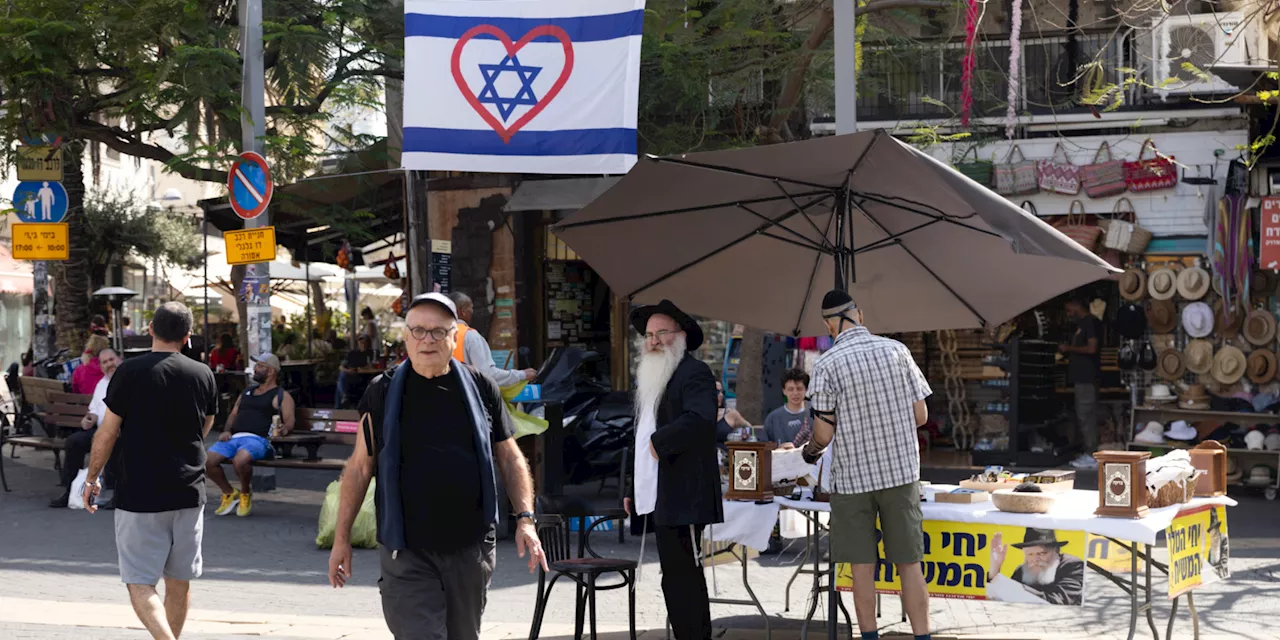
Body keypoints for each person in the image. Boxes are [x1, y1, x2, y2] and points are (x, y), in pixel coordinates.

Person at [327, 293, 546, 640]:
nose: (427, 340)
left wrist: (525, 519)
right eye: (418, 331)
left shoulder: (480, 386)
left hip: (469, 547)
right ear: (405, 337)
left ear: (456, 337)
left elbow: (510, 456)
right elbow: (358, 468)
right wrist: (342, 540)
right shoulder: (381, 391)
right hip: (406, 550)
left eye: (438, 332)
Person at [81, 302, 219, 640]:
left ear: (150, 330)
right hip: (188, 490)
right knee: (179, 580)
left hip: (139, 491)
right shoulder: (203, 374)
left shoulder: (129, 372)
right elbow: (207, 425)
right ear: (187, 337)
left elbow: (108, 431)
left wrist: (91, 476)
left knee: (139, 582)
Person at [801, 290, 932, 640]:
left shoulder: (826, 365)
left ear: (828, 325)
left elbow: (824, 434)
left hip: (853, 482)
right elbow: (921, 415)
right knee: (909, 562)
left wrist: (809, 452)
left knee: (862, 567)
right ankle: (922, 636)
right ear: (858, 314)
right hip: (901, 474)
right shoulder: (897, 351)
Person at [623, 299, 721, 640]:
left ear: (679, 336)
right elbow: (640, 435)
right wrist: (632, 488)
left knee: (684, 576)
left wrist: (661, 442)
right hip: (660, 493)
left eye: (660, 332)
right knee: (673, 576)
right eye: (648, 335)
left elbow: (701, 419)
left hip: (685, 493)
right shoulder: (654, 375)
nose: (652, 341)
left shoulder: (694, 372)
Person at [206, 354, 295, 517]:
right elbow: (233, 414)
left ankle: (245, 493)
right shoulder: (247, 392)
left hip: (259, 441)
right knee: (207, 461)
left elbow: (290, 421)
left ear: (271, 372)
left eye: (260, 366)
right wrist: (226, 430)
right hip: (235, 438)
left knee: (240, 460)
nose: (255, 369)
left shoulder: (280, 395)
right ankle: (229, 492)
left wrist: (285, 429)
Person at [49, 347, 121, 507]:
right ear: (101, 366)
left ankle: (117, 494)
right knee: (74, 441)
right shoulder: (101, 384)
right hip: (102, 431)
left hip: (122, 431)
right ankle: (69, 491)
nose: (109, 364)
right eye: (105, 362)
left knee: (114, 441)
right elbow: (94, 411)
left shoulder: (128, 380)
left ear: (119, 359)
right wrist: (88, 419)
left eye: (112, 360)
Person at [447, 292, 537, 387]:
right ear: (463, 311)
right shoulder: (470, 337)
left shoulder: (436, 335)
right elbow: (488, 375)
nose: (472, 311)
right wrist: (522, 375)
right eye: (471, 308)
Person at [986, 529, 1085, 605]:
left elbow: (1058, 601)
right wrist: (994, 571)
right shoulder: (1021, 570)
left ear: (1056, 551)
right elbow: (1005, 600)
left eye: (1042, 553)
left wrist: (1014, 588)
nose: (1035, 559)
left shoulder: (1073, 565)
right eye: (1030, 554)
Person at [1061, 298, 1100, 470]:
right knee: (1083, 415)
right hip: (1081, 378)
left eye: (1069, 309)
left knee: (1086, 416)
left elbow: (1092, 348)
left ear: (1077, 303)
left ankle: (1091, 454)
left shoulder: (1089, 322)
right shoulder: (1083, 323)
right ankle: (1088, 452)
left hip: (1087, 378)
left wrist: (1069, 349)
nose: (1068, 314)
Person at [763, 368, 811, 447]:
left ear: (806, 390)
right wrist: (779, 449)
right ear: (784, 391)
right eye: (790, 389)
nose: (795, 393)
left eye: (799, 389)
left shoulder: (815, 414)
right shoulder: (773, 418)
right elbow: (764, 449)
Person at [335, 335, 375, 408]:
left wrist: (358, 368)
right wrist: (348, 370)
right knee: (342, 375)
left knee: (340, 383)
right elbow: (341, 367)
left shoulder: (371, 353)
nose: (362, 344)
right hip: (349, 374)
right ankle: (344, 397)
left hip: (362, 376)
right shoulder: (352, 353)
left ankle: (341, 403)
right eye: (361, 342)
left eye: (364, 343)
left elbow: (371, 366)